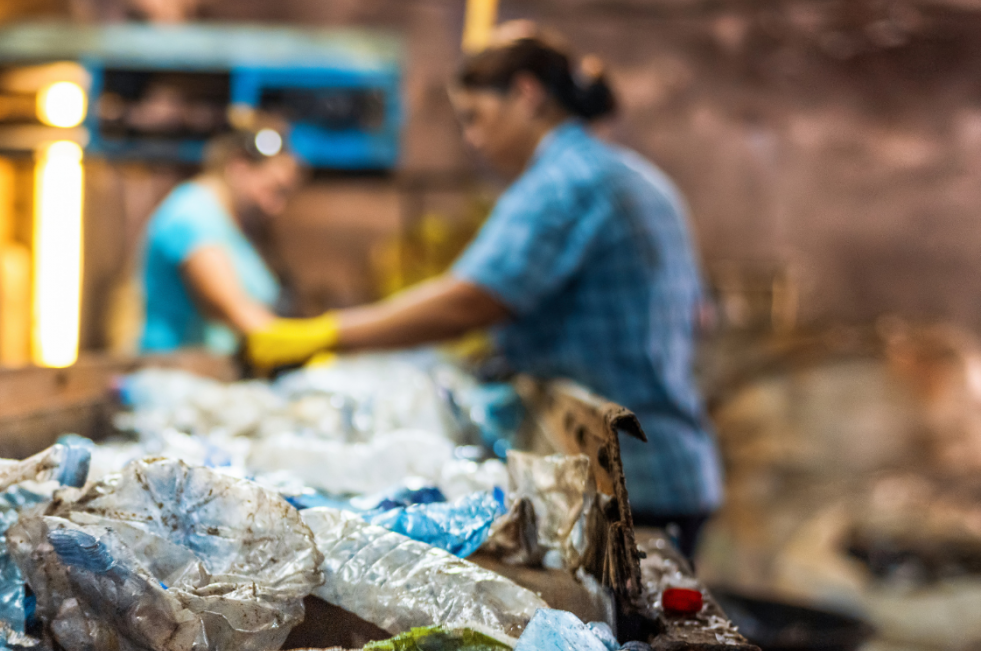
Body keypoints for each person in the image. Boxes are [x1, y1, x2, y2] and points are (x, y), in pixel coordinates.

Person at [246, 31, 721, 556]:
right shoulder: (630, 174)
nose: (471, 138)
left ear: (526, 93)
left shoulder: (566, 180)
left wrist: (326, 334)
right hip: (664, 461)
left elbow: (471, 299)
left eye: (474, 116)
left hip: (633, 483)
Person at [137, 120, 304, 355]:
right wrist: (320, 339)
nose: (276, 207)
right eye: (273, 189)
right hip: (173, 375)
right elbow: (236, 313)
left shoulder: (234, 225)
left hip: (211, 374)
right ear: (239, 167)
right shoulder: (193, 216)